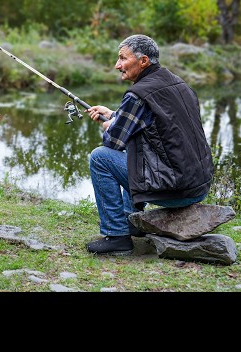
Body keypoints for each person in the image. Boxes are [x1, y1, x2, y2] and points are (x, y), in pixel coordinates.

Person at [84, 34, 213, 255]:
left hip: (175, 190)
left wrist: (109, 126)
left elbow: (114, 141)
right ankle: (132, 219)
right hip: (197, 185)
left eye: (123, 58)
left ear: (143, 61)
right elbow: (156, 123)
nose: (117, 65)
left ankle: (117, 236)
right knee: (134, 147)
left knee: (100, 157)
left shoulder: (137, 95)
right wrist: (114, 114)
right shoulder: (178, 83)